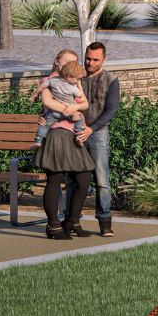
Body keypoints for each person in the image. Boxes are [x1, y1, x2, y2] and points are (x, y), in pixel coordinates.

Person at [37, 59, 92, 240]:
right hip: (57, 133)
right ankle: (53, 225)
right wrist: (71, 111)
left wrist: (76, 107)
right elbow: (48, 102)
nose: (69, 64)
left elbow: (85, 103)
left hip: (73, 134)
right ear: (57, 62)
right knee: (55, 179)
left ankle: (72, 221)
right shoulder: (49, 81)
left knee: (84, 178)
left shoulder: (74, 81)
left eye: (73, 61)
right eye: (66, 61)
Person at [80, 41, 121, 236]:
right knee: (74, 179)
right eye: (88, 58)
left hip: (98, 133)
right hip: (76, 132)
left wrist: (92, 129)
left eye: (95, 60)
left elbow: (111, 111)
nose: (90, 62)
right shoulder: (76, 77)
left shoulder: (111, 80)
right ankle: (72, 220)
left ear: (103, 59)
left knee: (102, 179)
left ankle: (105, 222)